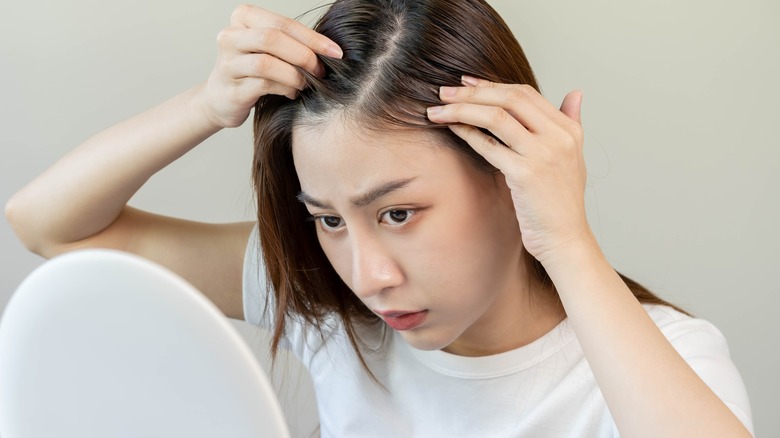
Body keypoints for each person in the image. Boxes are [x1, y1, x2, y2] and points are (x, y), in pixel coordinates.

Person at [5, 0, 753, 436]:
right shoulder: (328, 305)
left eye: (397, 213)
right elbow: (50, 227)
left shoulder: (656, 360)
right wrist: (205, 107)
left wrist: (565, 238)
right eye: (328, 219)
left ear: (508, 172)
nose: (369, 275)